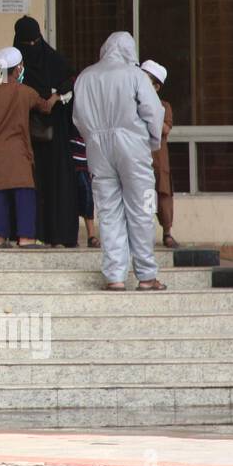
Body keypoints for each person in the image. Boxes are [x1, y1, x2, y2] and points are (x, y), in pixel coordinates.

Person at [73, 32, 165, 291]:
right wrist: (152, 142)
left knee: (109, 210)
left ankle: (115, 275)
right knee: (142, 209)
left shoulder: (85, 77)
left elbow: (78, 118)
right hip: (133, 146)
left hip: (97, 149)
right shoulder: (135, 75)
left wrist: (93, 137)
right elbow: (153, 111)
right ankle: (146, 275)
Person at [0, 46, 60, 248]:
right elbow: (45, 107)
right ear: (18, 70)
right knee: (24, 194)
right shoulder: (27, 93)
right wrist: (57, 97)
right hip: (18, 153)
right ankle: (25, 238)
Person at [13, 16, 80, 246]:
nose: (32, 48)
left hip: (55, 135)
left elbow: (71, 81)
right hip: (25, 136)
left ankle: (57, 234)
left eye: (35, 42)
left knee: (56, 182)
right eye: (27, 44)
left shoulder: (54, 60)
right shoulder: (14, 66)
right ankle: (27, 234)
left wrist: (56, 98)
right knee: (28, 184)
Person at [141, 59, 177, 248]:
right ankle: (145, 233)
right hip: (140, 156)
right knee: (144, 194)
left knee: (162, 194)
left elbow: (164, 129)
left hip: (158, 158)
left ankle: (167, 232)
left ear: (156, 86)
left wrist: (150, 111)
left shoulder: (164, 106)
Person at [70, 125, 98, 247]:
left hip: (85, 162)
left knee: (87, 198)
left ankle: (91, 235)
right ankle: (72, 235)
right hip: (71, 158)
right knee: (72, 200)